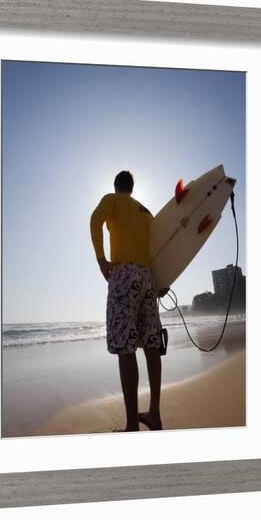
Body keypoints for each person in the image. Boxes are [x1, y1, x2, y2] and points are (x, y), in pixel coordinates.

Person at [90, 170, 164, 432]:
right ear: (132, 188)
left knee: (126, 347)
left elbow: (94, 220)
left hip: (124, 275)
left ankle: (132, 424)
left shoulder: (111, 200)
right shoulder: (145, 211)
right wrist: (161, 281)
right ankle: (154, 413)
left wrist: (101, 260)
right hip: (147, 278)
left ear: (116, 186)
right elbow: (159, 247)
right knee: (151, 345)